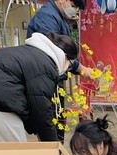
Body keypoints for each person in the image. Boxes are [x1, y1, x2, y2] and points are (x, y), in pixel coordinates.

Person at [0, 32, 78, 142]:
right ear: (64, 57)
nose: (67, 69)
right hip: (1, 106)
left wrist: (35, 129)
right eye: (70, 65)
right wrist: (51, 145)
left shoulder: (29, 52)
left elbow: (33, 102)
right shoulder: (45, 65)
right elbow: (41, 110)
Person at [26, 0, 93, 141]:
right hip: (46, 80)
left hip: (53, 79)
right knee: (51, 126)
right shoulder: (46, 18)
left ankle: (55, 153)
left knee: (57, 124)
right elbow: (56, 52)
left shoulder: (58, 17)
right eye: (74, 6)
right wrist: (80, 68)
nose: (74, 11)